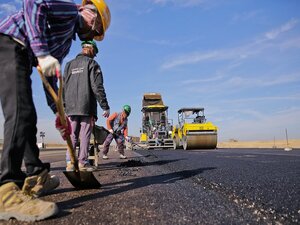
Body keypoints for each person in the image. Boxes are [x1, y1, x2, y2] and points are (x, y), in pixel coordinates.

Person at [0, 0, 111, 221]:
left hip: (23, 53)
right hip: (8, 43)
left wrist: (59, 112)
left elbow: (50, 77)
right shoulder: (70, 10)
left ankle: (36, 174)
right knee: (21, 112)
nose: (92, 31)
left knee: (28, 118)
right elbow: (34, 4)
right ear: (89, 13)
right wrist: (41, 53)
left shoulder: (65, 43)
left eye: (96, 32)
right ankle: (6, 192)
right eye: (95, 26)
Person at [63, 40, 110, 172]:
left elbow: (64, 87)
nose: (94, 56)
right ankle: (82, 163)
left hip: (71, 108)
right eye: (94, 53)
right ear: (90, 49)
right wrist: (104, 106)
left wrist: (64, 105)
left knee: (72, 134)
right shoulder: (92, 64)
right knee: (85, 135)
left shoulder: (68, 65)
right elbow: (97, 87)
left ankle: (70, 163)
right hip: (86, 106)